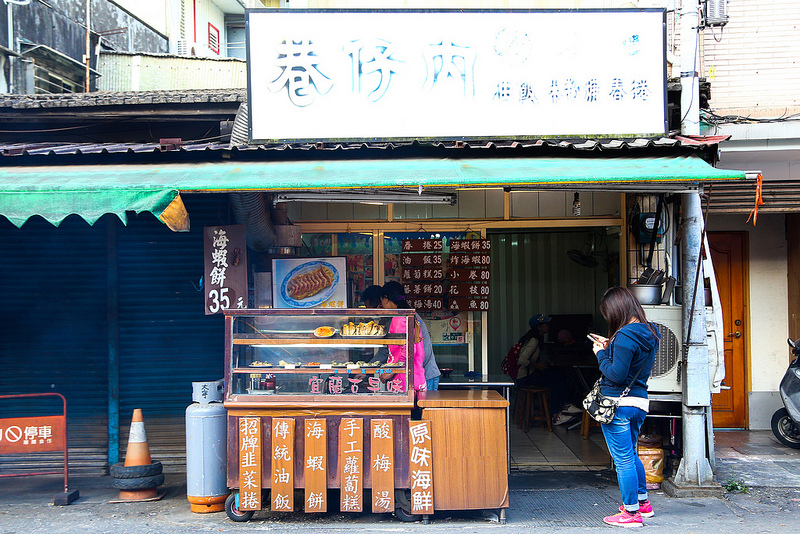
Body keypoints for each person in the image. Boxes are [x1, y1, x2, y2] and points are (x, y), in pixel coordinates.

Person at [590, 286, 660, 528]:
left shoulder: (624, 336)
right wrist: (611, 346)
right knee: (631, 453)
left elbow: (616, 374)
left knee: (623, 460)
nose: (609, 318)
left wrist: (600, 353)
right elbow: (632, 364)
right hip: (639, 402)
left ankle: (631, 514)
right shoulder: (650, 332)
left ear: (617, 310)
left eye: (609, 313)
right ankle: (643, 504)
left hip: (617, 404)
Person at [516, 314, 581, 425]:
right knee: (556, 381)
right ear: (539, 327)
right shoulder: (534, 341)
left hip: (529, 374)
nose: (548, 326)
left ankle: (563, 407)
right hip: (525, 378)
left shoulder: (535, 338)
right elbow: (521, 360)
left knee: (557, 376)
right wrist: (537, 366)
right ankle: (557, 414)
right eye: (545, 324)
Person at [379, 282, 428, 393]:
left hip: (405, 381)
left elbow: (409, 349)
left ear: (386, 299)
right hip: (416, 378)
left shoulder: (399, 318)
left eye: (382, 301)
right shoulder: (408, 316)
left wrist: (391, 371)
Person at [360, 285, 389, 365]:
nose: (369, 314)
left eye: (369, 309)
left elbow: (385, 351)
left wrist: (368, 367)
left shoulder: (393, 319)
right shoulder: (385, 319)